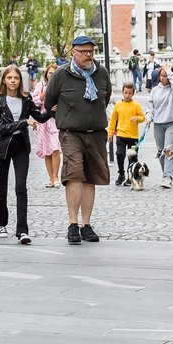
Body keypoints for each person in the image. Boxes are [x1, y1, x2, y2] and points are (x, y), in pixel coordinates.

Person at [44, 35, 112, 245]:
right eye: (83, 52)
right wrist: (66, 115)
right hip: (71, 133)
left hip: (96, 133)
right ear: (73, 52)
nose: (88, 55)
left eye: (91, 51)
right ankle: (72, 224)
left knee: (90, 177)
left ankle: (86, 224)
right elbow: (49, 101)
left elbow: (105, 98)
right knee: (74, 174)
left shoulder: (101, 74)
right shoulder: (62, 75)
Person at [0, 65, 52, 243]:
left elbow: (39, 117)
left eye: (16, 78)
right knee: (1, 186)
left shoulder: (25, 99)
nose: (12, 81)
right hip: (1, 146)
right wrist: (24, 122)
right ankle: (0, 223)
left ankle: (22, 230)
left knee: (21, 187)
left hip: (20, 146)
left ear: (20, 80)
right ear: (4, 80)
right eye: (9, 78)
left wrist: (52, 110)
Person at [149, 66, 173, 189]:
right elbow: (151, 106)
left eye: (165, 76)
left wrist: (169, 71)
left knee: (169, 150)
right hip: (158, 124)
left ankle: (167, 177)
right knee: (161, 151)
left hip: (172, 123)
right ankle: (166, 174)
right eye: (161, 76)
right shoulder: (155, 90)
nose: (162, 78)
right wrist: (149, 117)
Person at [108, 83, 146, 186]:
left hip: (133, 137)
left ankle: (131, 176)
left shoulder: (136, 105)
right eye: (125, 93)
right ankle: (121, 174)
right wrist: (110, 133)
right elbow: (113, 120)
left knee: (132, 158)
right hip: (121, 134)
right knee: (120, 154)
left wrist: (137, 118)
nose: (127, 95)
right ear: (122, 92)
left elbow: (142, 117)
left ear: (133, 94)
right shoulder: (118, 105)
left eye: (129, 93)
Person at [32, 64, 62, 188]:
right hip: (43, 121)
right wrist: (46, 90)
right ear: (46, 74)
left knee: (55, 149)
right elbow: (35, 102)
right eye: (50, 73)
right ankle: (50, 178)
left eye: (54, 73)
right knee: (47, 152)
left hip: (55, 121)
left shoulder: (61, 87)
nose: (52, 75)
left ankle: (56, 177)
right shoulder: (40, 86)